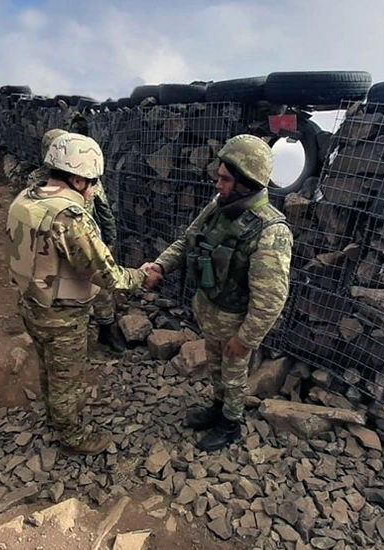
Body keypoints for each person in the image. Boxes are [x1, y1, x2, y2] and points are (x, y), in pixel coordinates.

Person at [7, 133, 161, 455]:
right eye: (91, 183)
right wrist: (139, 278)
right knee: (67, 379)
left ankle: (54, 417)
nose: (92, 190)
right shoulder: (69, 217)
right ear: (77, 179)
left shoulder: (26, 198)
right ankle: (73, 436)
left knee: (48, 368)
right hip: (62, 315)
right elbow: (105, 273)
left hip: (31, 303)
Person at [142, 134, 292, 452]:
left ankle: (231, 423)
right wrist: (160, 267)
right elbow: (187, 240)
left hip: (236, 324)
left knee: (234, 376)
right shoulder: (219, 206)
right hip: (211, 312)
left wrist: (245, 340)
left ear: (246, 181)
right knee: (215, 369)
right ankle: (217, 407)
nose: (217, 184)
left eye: (225, 179)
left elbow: (270, 299)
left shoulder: (270, 230)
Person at [27, 128, 125, 354]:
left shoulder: (87, 178)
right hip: (54, 247)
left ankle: (106, 329)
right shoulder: (36, 181)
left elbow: (104, 210)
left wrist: (109, 241)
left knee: (101, 287)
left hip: (86, 241)